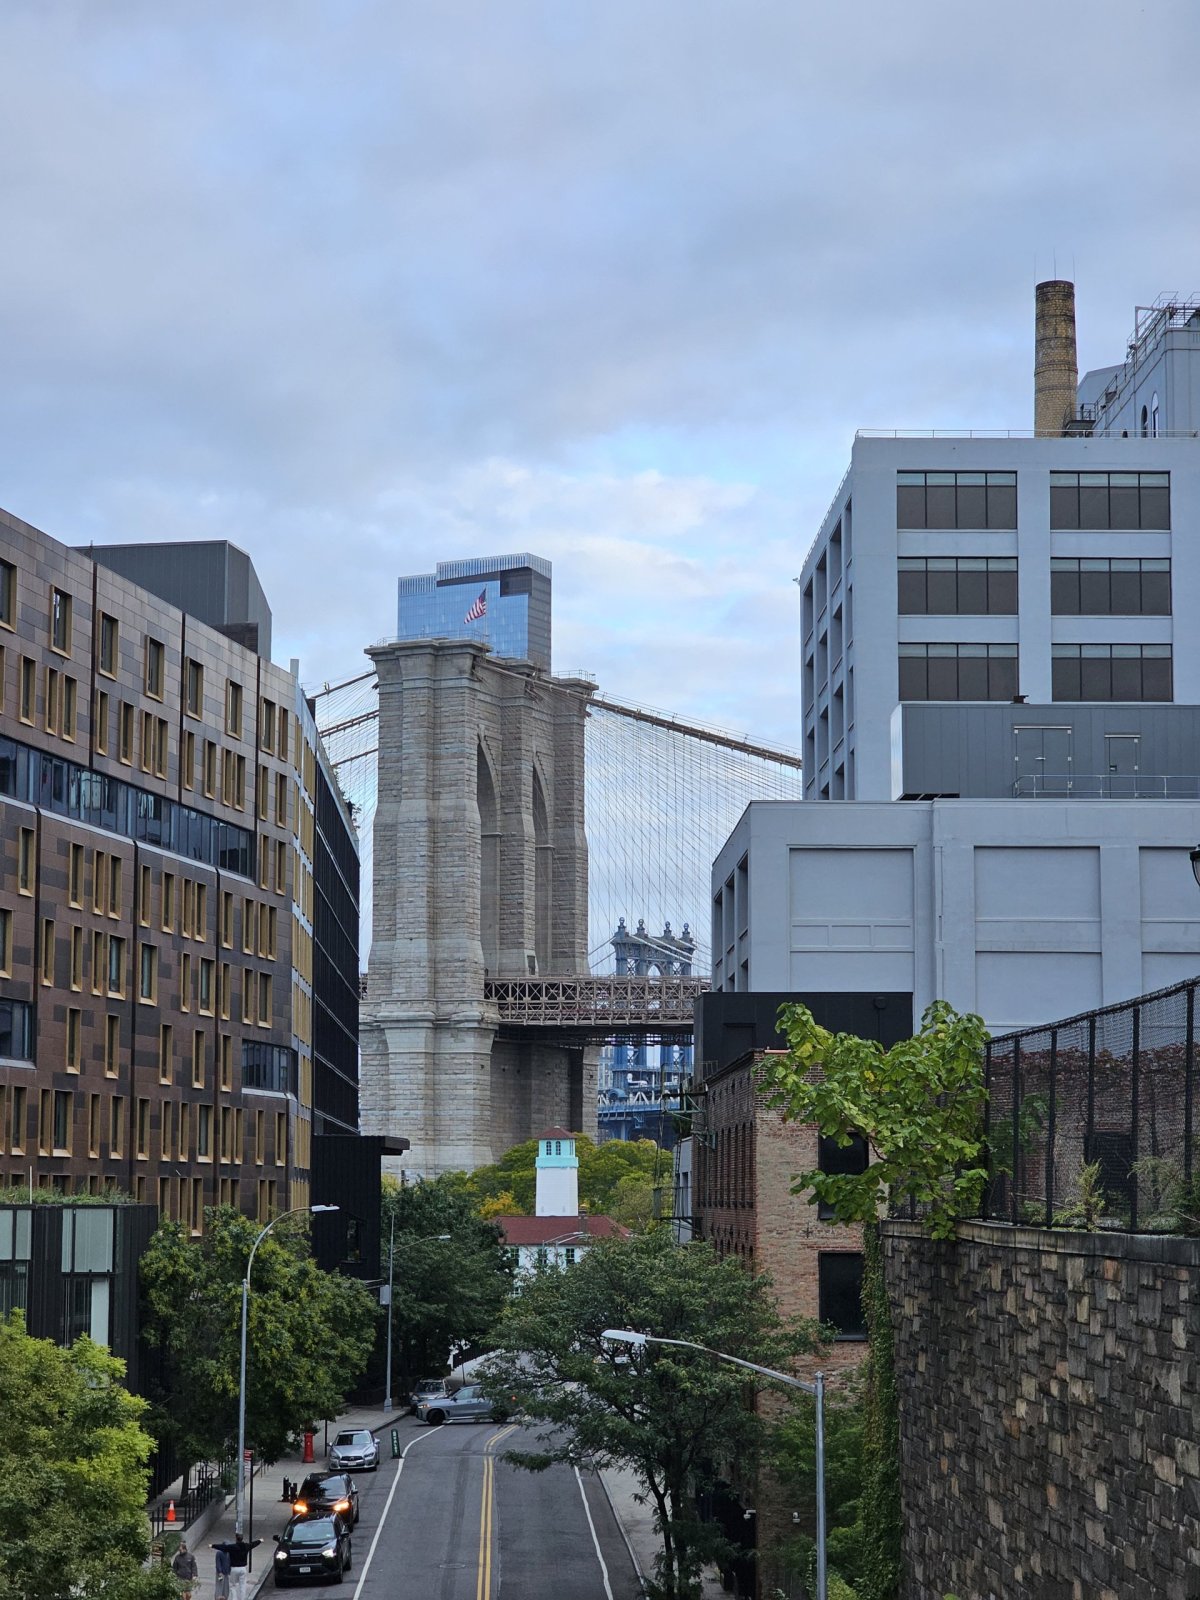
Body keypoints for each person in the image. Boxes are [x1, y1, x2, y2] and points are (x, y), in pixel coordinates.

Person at [211, 1533, 260, 1600]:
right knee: (241, 1585)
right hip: (242, 1569)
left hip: (233, 1569)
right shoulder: (245, 1546)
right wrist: (260, 1540)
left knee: (232, 1586)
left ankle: (231, 1598)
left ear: (236, 1539)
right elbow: (253, 1544)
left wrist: (212, 1545)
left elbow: (222, 1549)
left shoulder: (231, 1548)